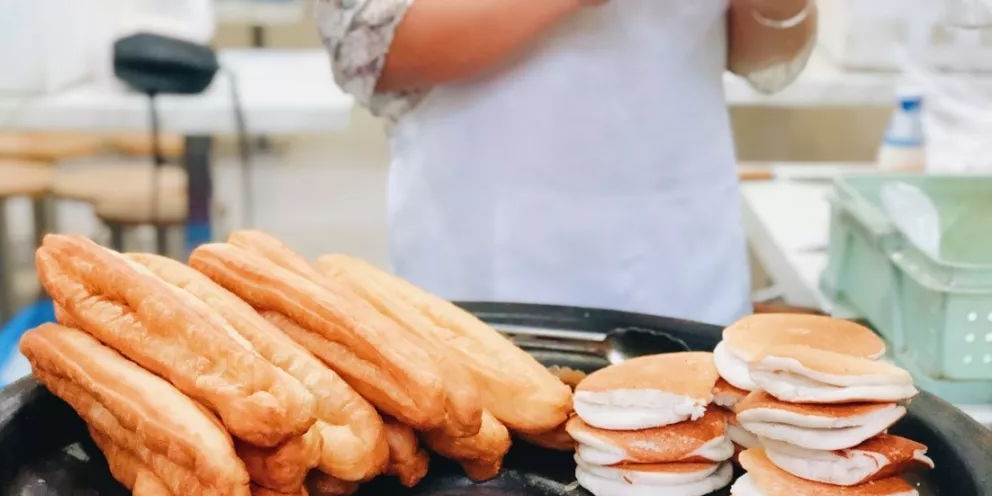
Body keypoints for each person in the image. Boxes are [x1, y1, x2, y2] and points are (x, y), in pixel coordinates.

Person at [316, 0, 817, 325]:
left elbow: (766, 56)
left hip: (675, 258)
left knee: (688, 461)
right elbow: (371, 51)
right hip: (484, 258)